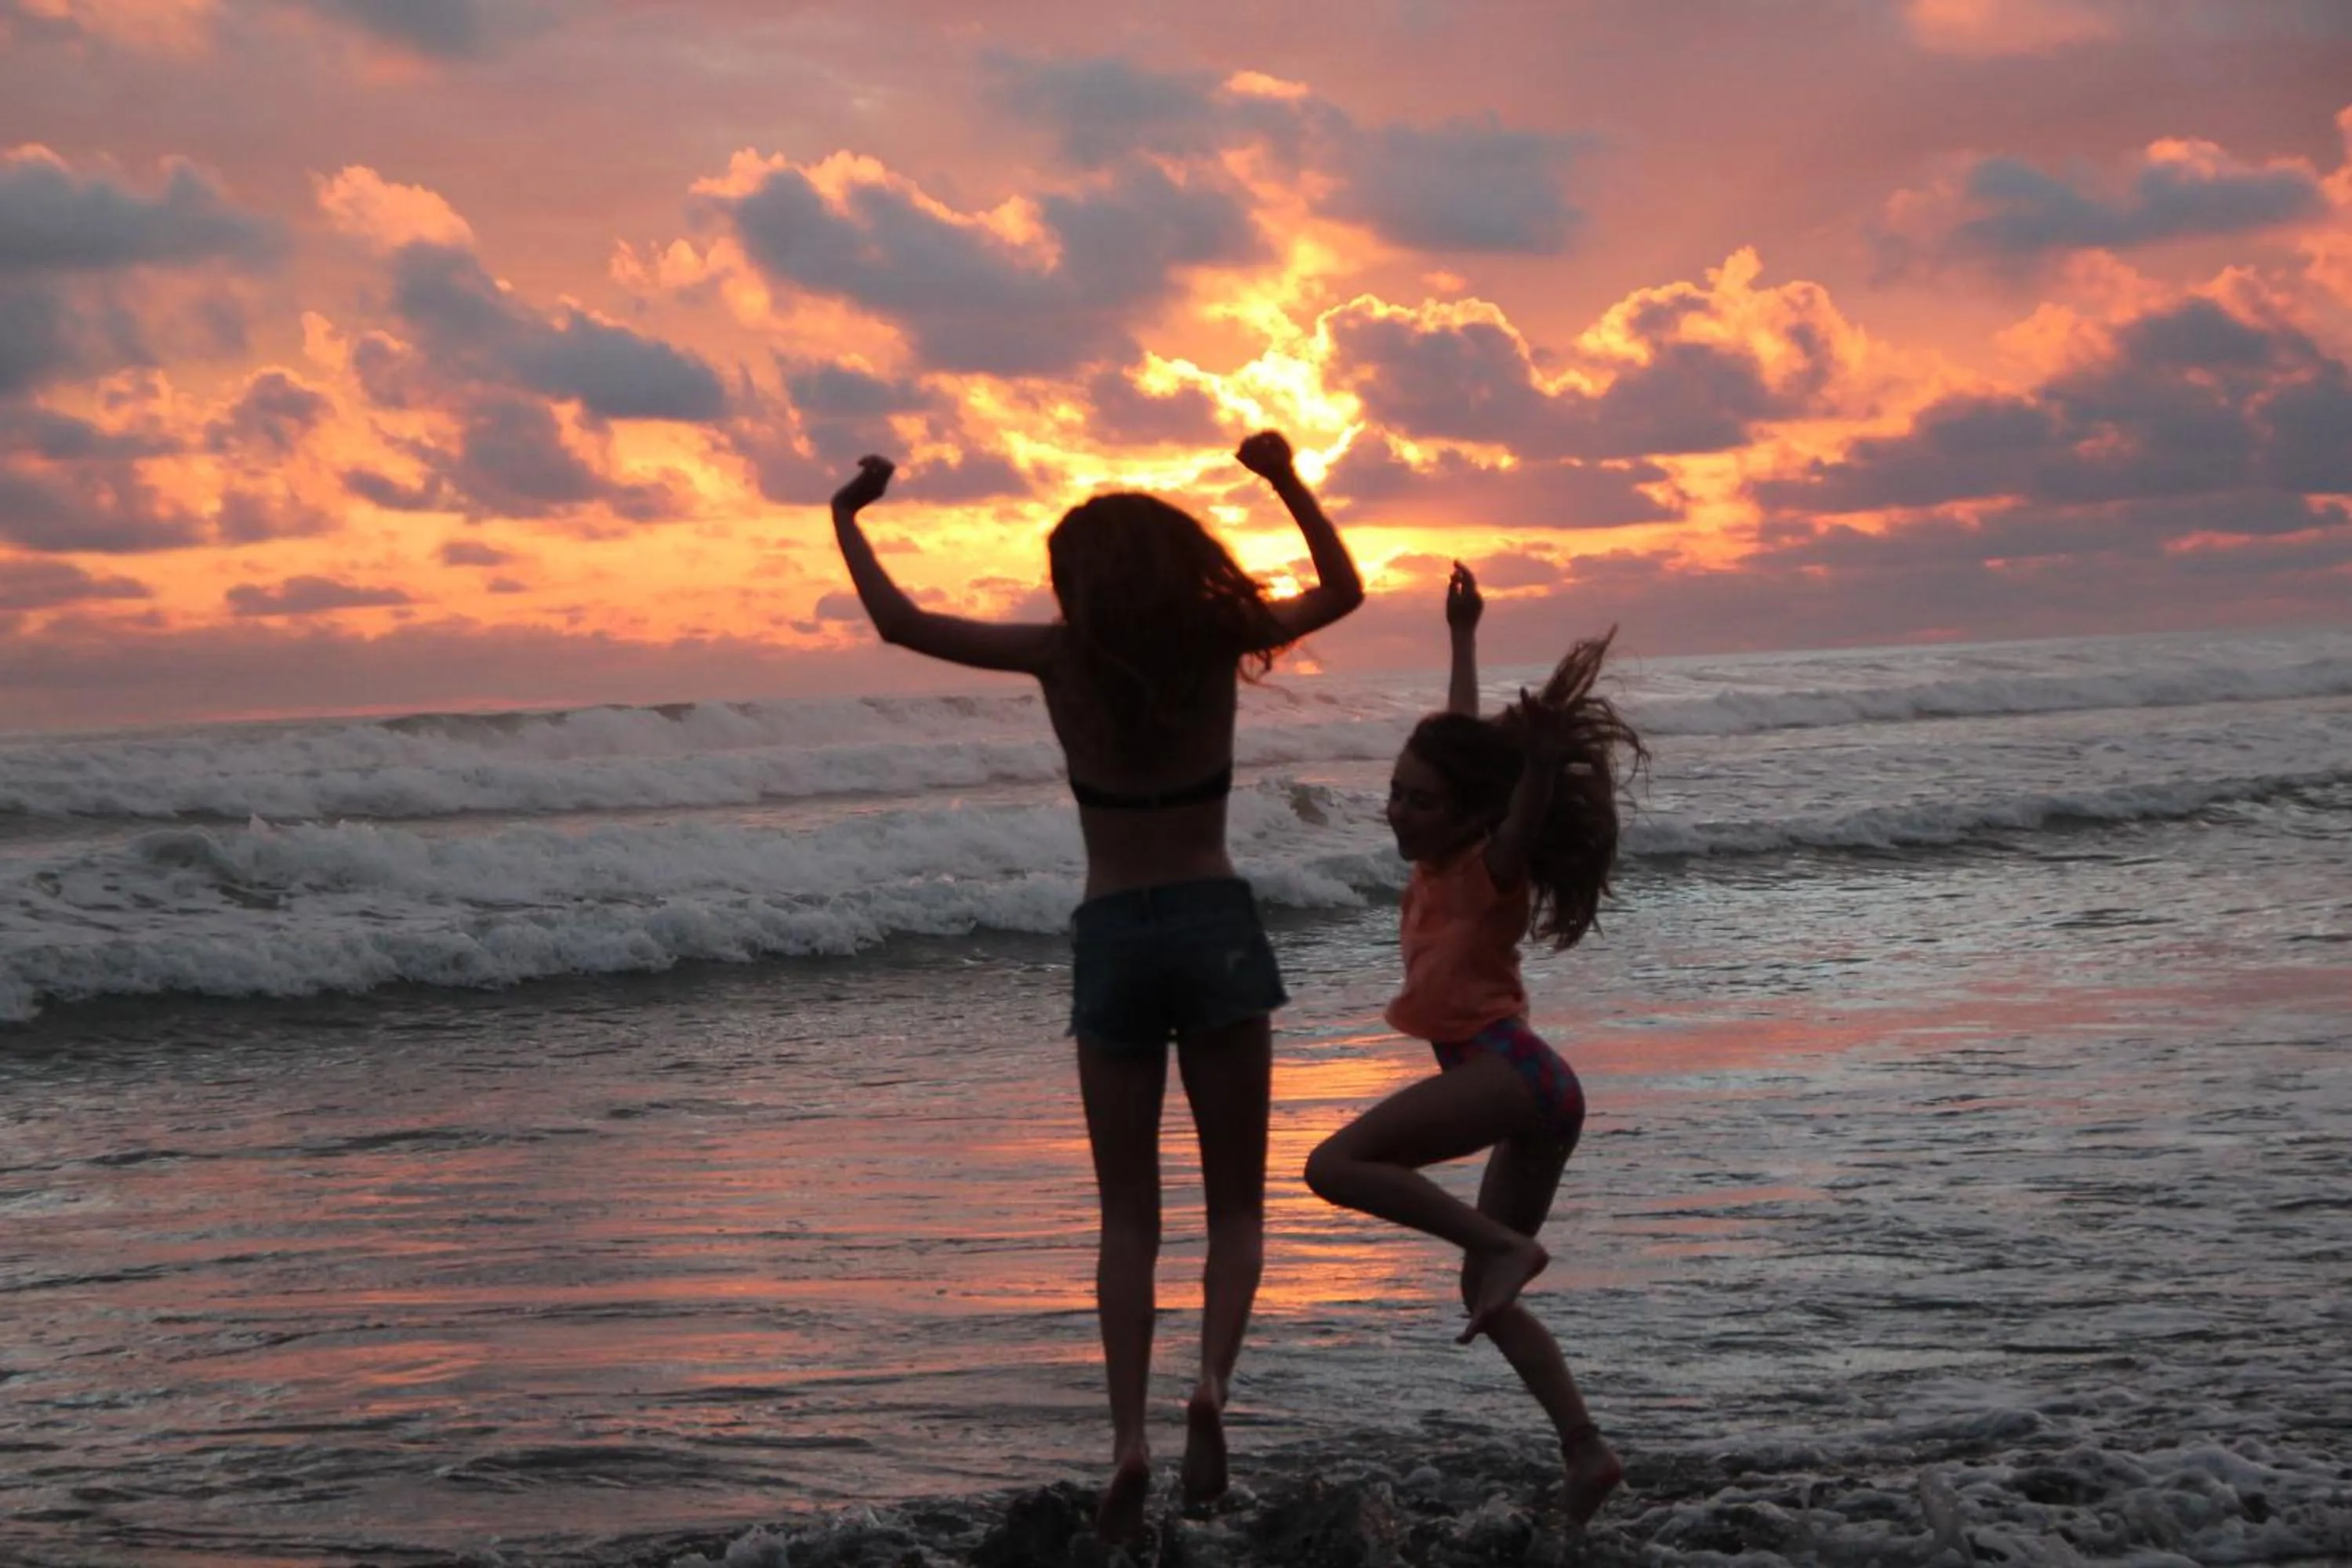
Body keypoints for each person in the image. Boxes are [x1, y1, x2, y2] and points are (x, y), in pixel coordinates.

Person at [828, 433, 1364, 1541]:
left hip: (1114, 928)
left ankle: (1126, 1440)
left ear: (1081, 582)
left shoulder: (1055, 659)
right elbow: (1343, 589)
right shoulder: (1221, 638)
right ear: (1177, 566)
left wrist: (851, 517)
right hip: (1213, 916)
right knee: (1237, 1207)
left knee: (1128, 1217)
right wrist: (1280, 479)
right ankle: (1210, 1385)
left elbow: (900, 624)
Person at [1301, 562, 1642, 1527]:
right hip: (1530, 1089)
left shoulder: (1489, 868)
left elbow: (1514, 806)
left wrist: (1534, 766)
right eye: (1393, 791)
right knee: (1479, 1288)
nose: (1395, 809)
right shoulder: (1442, 853)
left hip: (1516, 1073)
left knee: (1336, 1163)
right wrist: (1462, 634)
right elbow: (1459, 742)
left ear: (1461, 815)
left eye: (1414, 799)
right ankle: (1587, 1449)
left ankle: (1503, 1242)